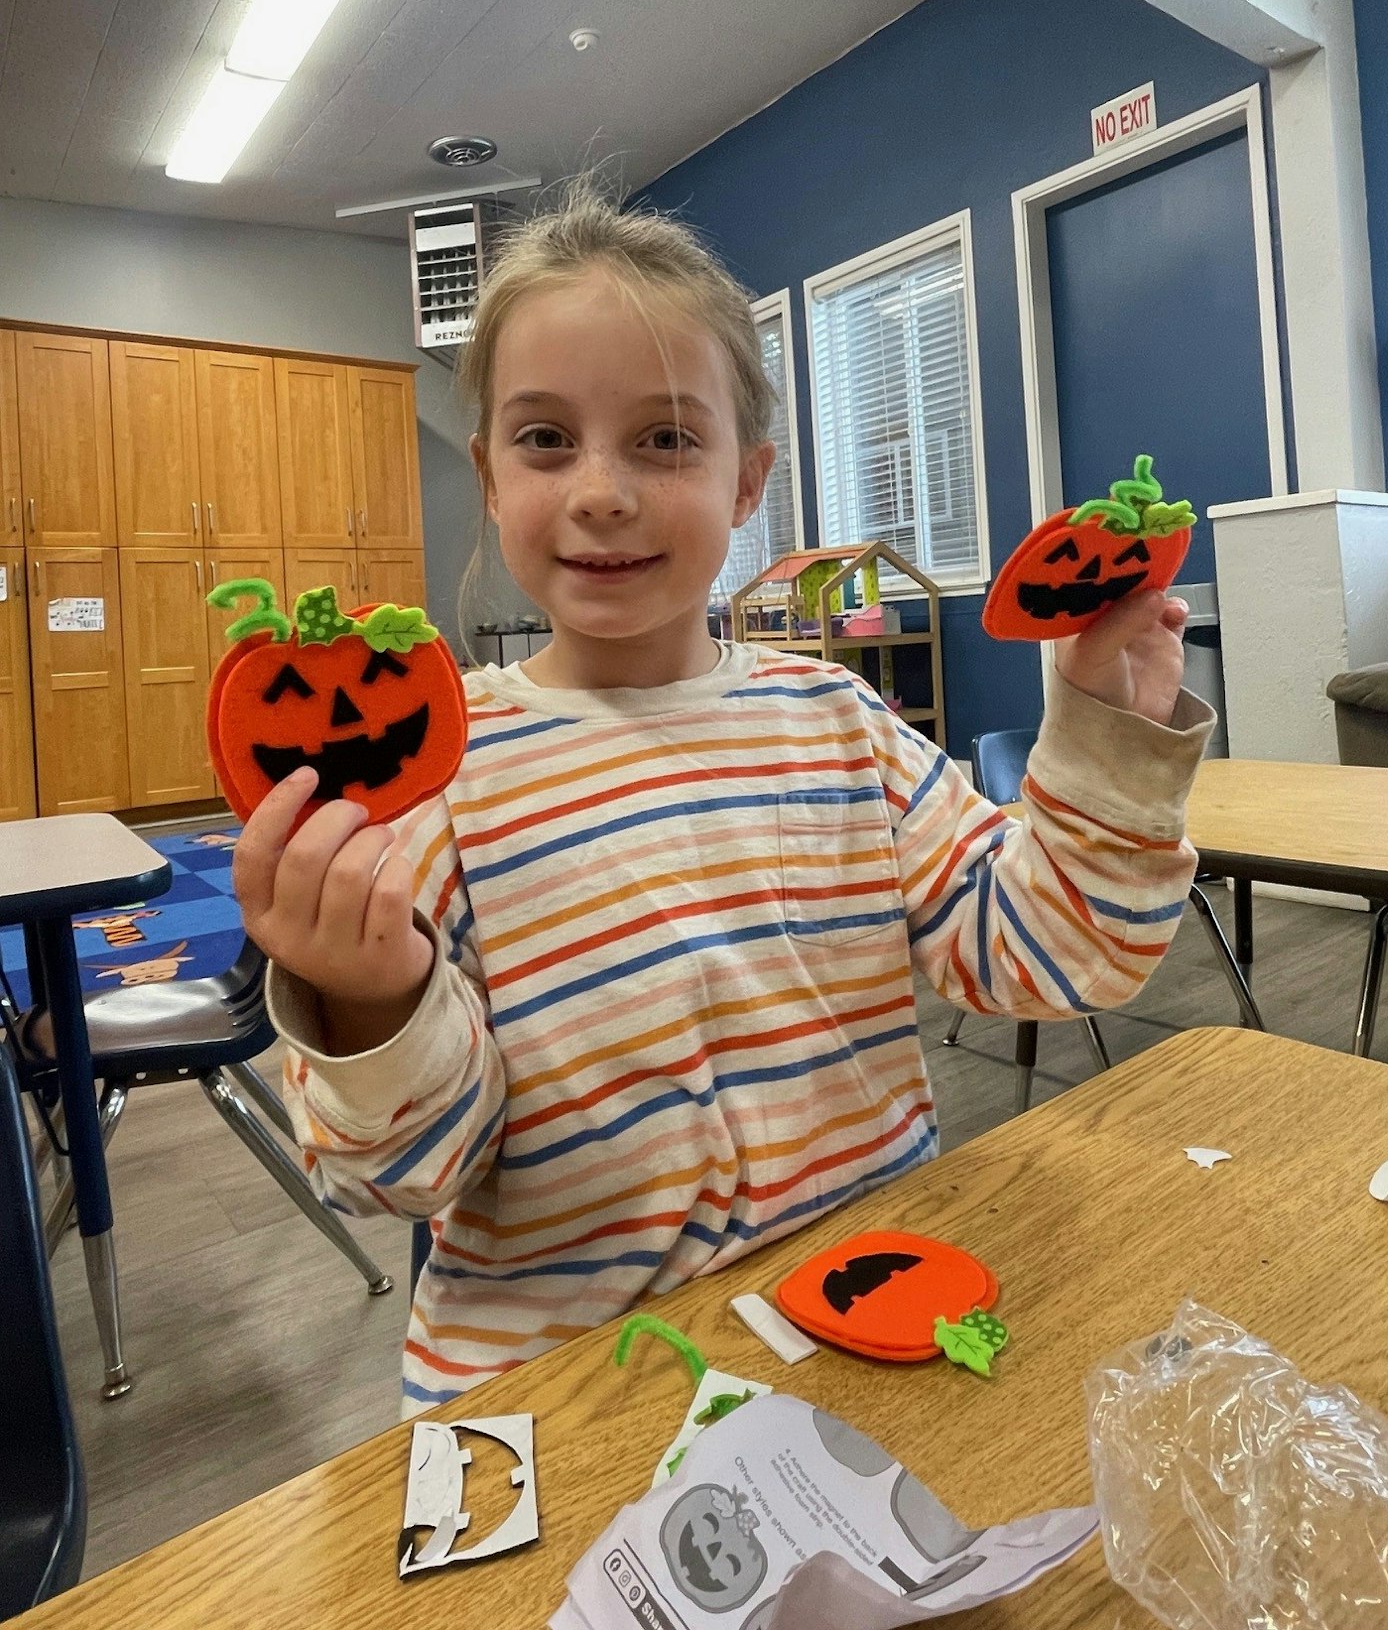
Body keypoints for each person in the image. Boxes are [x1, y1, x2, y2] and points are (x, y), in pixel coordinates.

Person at [234, 186, 1212, 1412]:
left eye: (665, 439)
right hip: (568, 1389)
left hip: (861, 1329)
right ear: (487, 475)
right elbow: (407, 1175)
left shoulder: (838, 724)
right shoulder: (434, 778)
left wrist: (1100, 730)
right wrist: (369, 1002)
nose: (601, 489)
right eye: (546, 439)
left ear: (748, 482)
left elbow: (1056, 958)